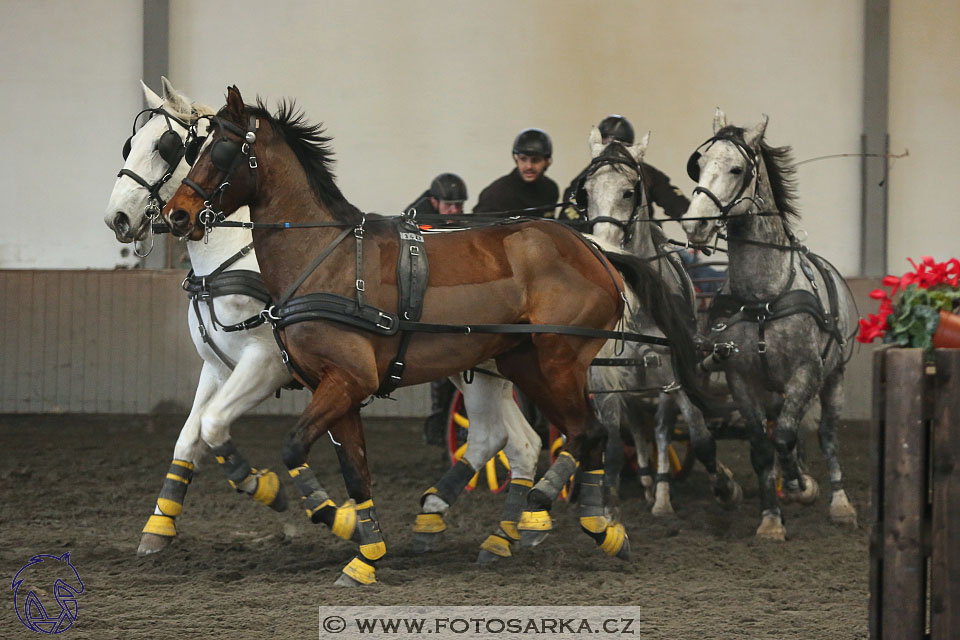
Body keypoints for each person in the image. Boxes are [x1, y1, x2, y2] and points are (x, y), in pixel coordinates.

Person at [408, 173, 468, 446]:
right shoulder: (416, 220)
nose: (455, 211)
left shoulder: (459, 222)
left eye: (459, 206)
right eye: (449, 206)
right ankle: (437, 416)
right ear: (434, 202)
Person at [559, 114, 690, 224]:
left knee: (684, 256)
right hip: (598, 240)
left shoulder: (648, 174)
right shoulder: (587, 176)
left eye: (621, 146)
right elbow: (569, 213)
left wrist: (689, 218)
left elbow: (672, 200)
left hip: (643, 240)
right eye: (608, 145)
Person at [473, 128, 559, 217]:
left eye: (535, 160)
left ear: (547, 162)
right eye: (523, 159)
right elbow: (479, 229)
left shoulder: (551, 189)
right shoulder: (496, 194)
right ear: (516, 159)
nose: (528, 166)